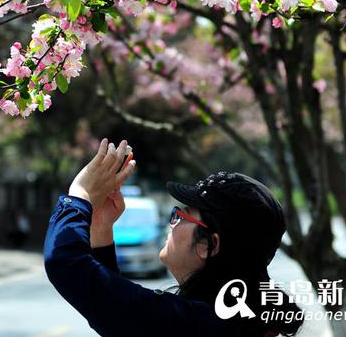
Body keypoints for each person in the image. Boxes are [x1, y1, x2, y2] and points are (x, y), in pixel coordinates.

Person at [44, 139, 303, 336]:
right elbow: (119, 317)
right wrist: (101, 230)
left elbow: (65, 263)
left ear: (208, 245)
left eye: (181, 215)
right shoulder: (228, 317)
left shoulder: (200, 323)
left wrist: (78, 197)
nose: (172, 223)